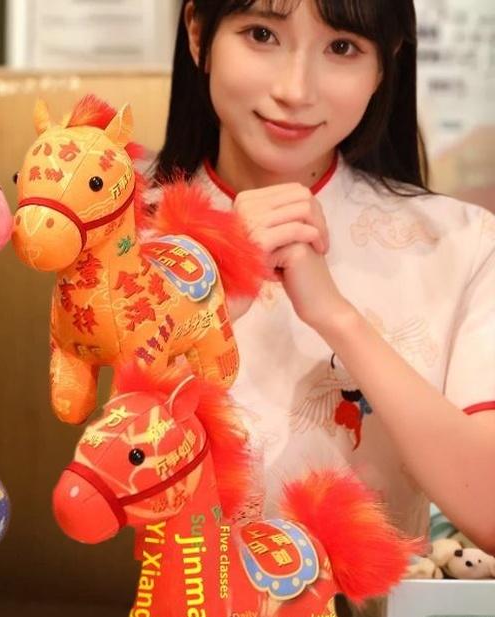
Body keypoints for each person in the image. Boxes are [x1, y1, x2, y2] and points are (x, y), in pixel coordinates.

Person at [154, 0, 495, 553]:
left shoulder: (462, 243)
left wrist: (337, 317)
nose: (295, 90)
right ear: (198, 33)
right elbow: (96, 491)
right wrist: (214, 297)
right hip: (177, 607)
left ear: (385, 63)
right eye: (261, 34)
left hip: (381, 610)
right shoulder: (115, 234)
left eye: (342, 47)